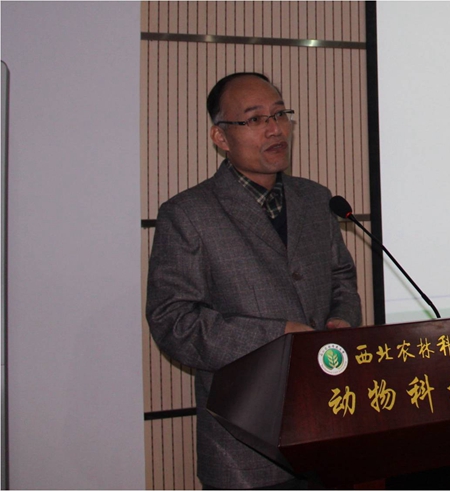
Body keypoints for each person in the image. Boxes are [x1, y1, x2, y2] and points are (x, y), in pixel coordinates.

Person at [145, 72, 362, 490]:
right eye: (255, 119)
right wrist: (276, 336)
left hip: (328, 430)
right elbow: (173, 322)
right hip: (245, 451)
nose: (275, 128)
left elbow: (340, 276)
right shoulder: (188, 213)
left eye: (280, 114)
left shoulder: (316, 198)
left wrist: (342, 319)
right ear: (220, 137)